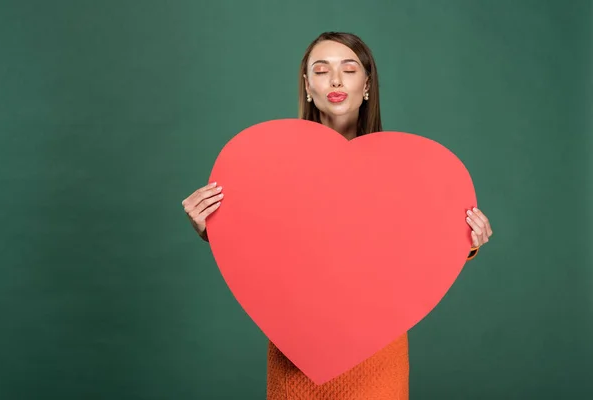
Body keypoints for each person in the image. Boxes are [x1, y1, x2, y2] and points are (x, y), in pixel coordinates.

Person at [182, 32, 493, 400]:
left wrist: (466, 241)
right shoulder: (270, 165)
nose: (335, 80)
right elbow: (261, 248)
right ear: (307, 84)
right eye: (321, 70)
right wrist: (210, 227)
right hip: (295, 352)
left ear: (366, 84)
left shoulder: (402, 169)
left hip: (378, 355)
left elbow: (415, 252)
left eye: (348, 69)